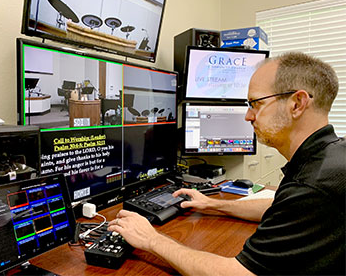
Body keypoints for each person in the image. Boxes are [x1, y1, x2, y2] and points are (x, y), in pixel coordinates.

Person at [108, 52, 345, 275]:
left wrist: (151, 239)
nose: (248, 116)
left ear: (297, 103)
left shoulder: (312, 187)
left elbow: (238, 273)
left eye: (256, 103)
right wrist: (213, 205)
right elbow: (280, 208)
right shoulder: (328, 157)